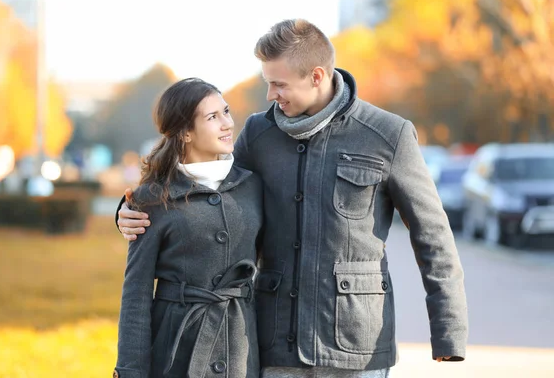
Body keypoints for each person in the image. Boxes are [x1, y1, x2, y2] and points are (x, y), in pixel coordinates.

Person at [117, 19, 468, 377]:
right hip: (274, 343)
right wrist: (132, 210)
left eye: (278, 84)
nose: (270, 95)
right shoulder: (258, 132)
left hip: (356, 344)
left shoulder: (388, 135)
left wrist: (449, 333)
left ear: (316, 76)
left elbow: (433, 236)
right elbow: (211, 192)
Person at [113, 78, 263, 378]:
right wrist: (129, 371)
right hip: (175, 351)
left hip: (241, 349)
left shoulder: (253, 186)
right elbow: (136, 294)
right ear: (185, 133)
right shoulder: (152, 198)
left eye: (226, 111)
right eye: (212, 117)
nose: (227, 124)